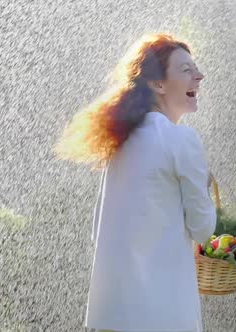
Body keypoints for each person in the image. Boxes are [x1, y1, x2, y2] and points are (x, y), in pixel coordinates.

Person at [53, 33, 217, 332]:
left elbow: (98, 230)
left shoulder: (122, 142)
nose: (199, 76)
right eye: (185, 70)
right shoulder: (182, 139)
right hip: (163, 317)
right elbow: (204, 229)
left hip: (112, 316)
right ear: (157, 84)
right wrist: (202, 185)